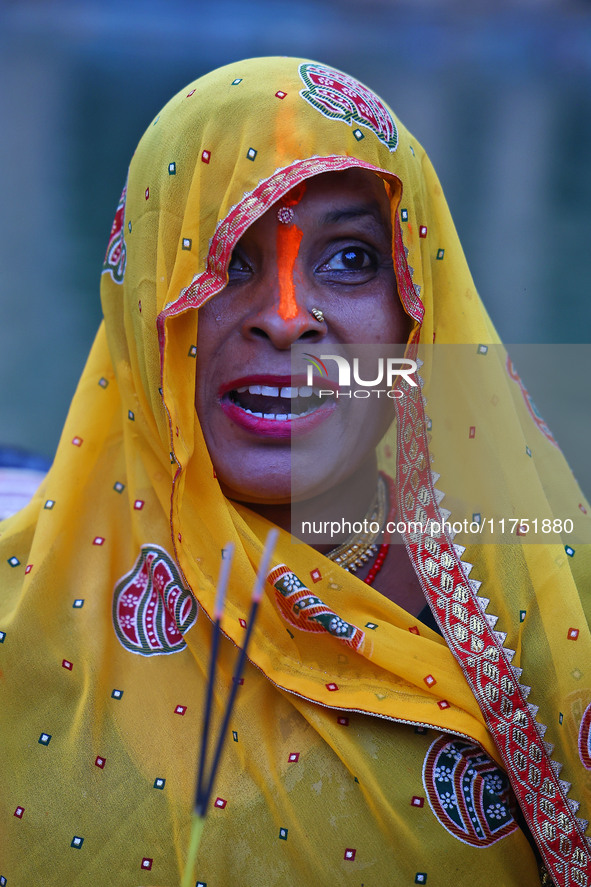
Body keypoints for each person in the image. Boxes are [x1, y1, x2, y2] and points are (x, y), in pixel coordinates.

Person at [0, 56, 589, 887]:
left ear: (418, 309)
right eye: (226, 257)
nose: (283, 319)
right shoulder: (18, 626)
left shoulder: (543, 615)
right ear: (141, 304)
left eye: (350, 259)